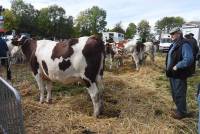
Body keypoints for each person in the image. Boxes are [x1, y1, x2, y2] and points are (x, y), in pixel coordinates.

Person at [166, 27, 194, 119]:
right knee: (175, 93)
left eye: (173, 34)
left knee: (179, 93)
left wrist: (177, 66)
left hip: (179, 73)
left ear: (179, 33)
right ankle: (179, 109)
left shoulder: (184, 44)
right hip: (172, 74)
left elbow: (189, 59)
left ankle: (182, 113)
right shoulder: (174, 44)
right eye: (171, 34)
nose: (171, 36)